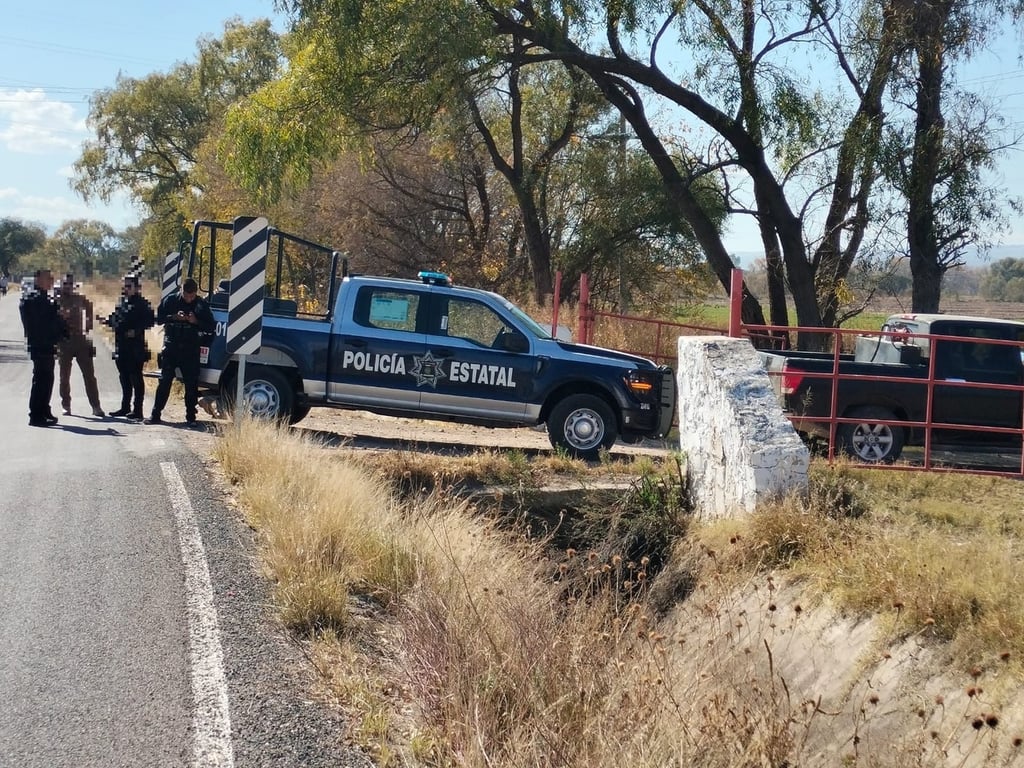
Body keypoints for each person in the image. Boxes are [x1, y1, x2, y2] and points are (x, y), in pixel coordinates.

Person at [147, 277, 215, 425]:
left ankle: (191, 418)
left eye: (192, 296)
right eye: (186, 296)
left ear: (196, 293)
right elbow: (158, 319)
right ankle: (155, 414)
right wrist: (173, 317)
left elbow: (211, 327)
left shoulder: (201, 305)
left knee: (191, 385)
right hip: (171, 347)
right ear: (181, 291)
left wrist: (195, 321)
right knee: (165, 382)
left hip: (190, 350)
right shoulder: (171, 301)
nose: (189, 299)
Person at [102, 273, 156, 419]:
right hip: (121, 345)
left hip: (135, 347)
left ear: (137, 288)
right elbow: (116, 317)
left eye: (128, 286)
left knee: (136, 378)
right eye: (124, 285)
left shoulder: (142, 303)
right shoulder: (122, 302)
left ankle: (138, 410)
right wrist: (107, 321)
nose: (125, 288)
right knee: (124, 377)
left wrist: (136, 330)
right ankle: (124, 407)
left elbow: (151, 320)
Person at [19, 269, 67, 426]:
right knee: (41, 379)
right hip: (40, 343)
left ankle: (44, 410)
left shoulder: (44, 297)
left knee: (48, 378)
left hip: (47, 343)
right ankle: (36, 415)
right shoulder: (33, 297)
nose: (51, 281)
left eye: (52, 278)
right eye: (48, 278)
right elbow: (43, 321)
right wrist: (57, 315)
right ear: (38, 279)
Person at [56, 274, 105, 417]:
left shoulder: (79, 299)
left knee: (89, 375)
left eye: (70, 284)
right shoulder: (57, 301)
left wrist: (89, 320)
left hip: (81, 340)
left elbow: (89, 306)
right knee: (64, 376)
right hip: (64, 342)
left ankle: (96, 406)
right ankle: (66, 405)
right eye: (66, 284)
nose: (68, 287)